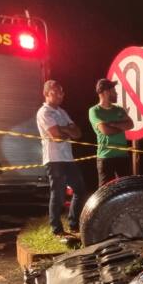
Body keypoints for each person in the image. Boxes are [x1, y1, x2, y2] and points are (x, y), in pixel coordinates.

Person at [36, 80, 88, 236]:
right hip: (54, 159)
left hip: (68, 158)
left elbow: (78, 133)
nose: (60, 95)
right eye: (56, 92)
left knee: (80, 190)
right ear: (46, 94)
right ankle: (56, 228)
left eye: (62, 92)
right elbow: (56, 136)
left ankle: (73, 224)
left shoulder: (62, 112)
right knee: (58, 194)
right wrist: (67, 130)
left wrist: (63, 130)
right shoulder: (44, 112)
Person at [88, 78, 133, 188]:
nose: (116, 93)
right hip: (106, 157)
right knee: (105, 193)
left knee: (127, 189)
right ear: (106, 92)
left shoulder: (119, 109)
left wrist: (113, 124)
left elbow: (130, 124)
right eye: (114, 91)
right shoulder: (94, 110)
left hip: (123, 156)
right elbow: (105, 130)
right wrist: (121, 126)